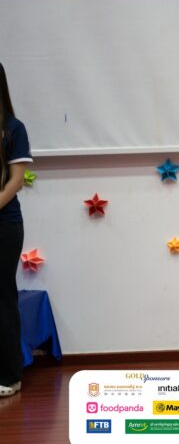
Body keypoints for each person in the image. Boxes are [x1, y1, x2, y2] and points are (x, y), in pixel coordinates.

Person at [0, 62, 32, 397]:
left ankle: (10, 376)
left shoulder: (13, 128)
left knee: (2, 297)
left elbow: (16, 181)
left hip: (4, 226)